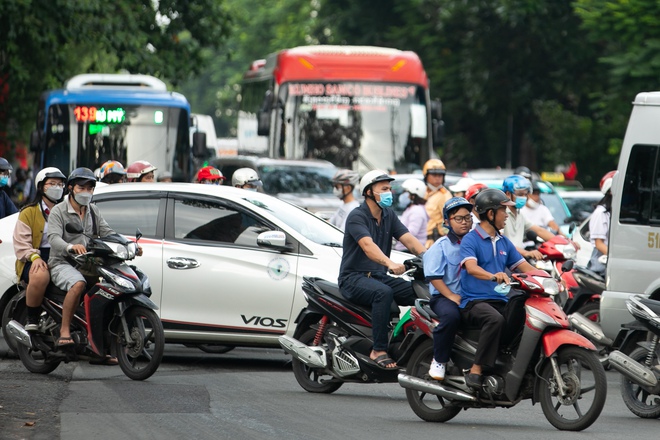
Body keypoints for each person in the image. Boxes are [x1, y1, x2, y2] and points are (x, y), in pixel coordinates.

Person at [339, 170, 426, 369]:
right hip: (353, 278)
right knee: (383, 293)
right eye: (384, 189)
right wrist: (390, 263)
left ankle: (406, 344)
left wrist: (430, 258)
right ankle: (378, 349)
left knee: (419, 291)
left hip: (378, 275)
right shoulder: (357, 217)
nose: (390, 192)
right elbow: (368, 247)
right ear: (369, 192)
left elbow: (410, 240)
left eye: (390, 188)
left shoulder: (388, 215)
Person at [459, 188, 536, 388]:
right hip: (473, 301)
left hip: (500, 300)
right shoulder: (471, 239)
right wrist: (493, 276)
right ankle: (476, 369)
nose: (508, 215)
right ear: (491, 213)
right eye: (504, 210)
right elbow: (471, 267)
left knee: (525, 312)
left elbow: (525, 267)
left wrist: (551, 279)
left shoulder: (503, 242)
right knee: (494, 319)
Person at [47, 168, 118, 352]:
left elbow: (108, 232)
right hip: (62, 263)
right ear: (70, 188)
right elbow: (53, 238)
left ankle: (100, 346)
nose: (86, 192)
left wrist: (127, 244)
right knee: (78, 284)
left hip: (87, 263)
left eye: (90, 188)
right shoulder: (58, 211)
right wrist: (70, 247)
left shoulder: (93, 210)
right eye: (81, 187)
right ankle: (64, 330)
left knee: (110, 290)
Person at [424, 197, 473, 380]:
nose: (464, 222)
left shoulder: (474, 243)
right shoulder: (441, 246)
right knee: (451, 317)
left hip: (470, 295)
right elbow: (433, 276)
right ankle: (439, 360)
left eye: (467, 218)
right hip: (444, 297)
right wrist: (450, 295)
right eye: (458, 219)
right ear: (447, 222)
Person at [13, 167, 66, 331]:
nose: (57, 187)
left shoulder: (66, 211)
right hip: (35, 257)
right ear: (41, 186)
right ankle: (32, 319)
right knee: (40, 276)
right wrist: (35, 258)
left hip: (61, 256)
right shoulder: (28, 212)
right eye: (52, 183)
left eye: (60, 184)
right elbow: (22, 244)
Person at [501, 175, 555, 260]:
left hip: (518, 260)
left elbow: (539, 230)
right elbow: (502, 243)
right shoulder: (501, 214)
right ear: (508, 194)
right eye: (520, 194)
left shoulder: (520, 215)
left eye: (525, 194)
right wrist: (526, 253)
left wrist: (564, 242)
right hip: (506, 262)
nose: (524, 198)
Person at [587, 171, 615, 276]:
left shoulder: (615, 212)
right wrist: (616, 258)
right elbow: (599, 244)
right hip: (601, 267)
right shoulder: (600, 213)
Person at [422, 159, 453, 248]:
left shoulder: (444, 195)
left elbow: (448, 219)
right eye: (434, 175)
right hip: (423, 240)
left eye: (440, 175)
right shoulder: (424, 192)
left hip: (435, 240)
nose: (438, 178)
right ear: (426, 176)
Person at [394, 178, 428, 251]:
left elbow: (411, 233)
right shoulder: (410, 209)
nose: (403, 195)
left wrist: (394, 234)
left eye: (405, 192)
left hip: (409, 251)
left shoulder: (417, 211)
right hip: (404, 249)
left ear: (413, 195)